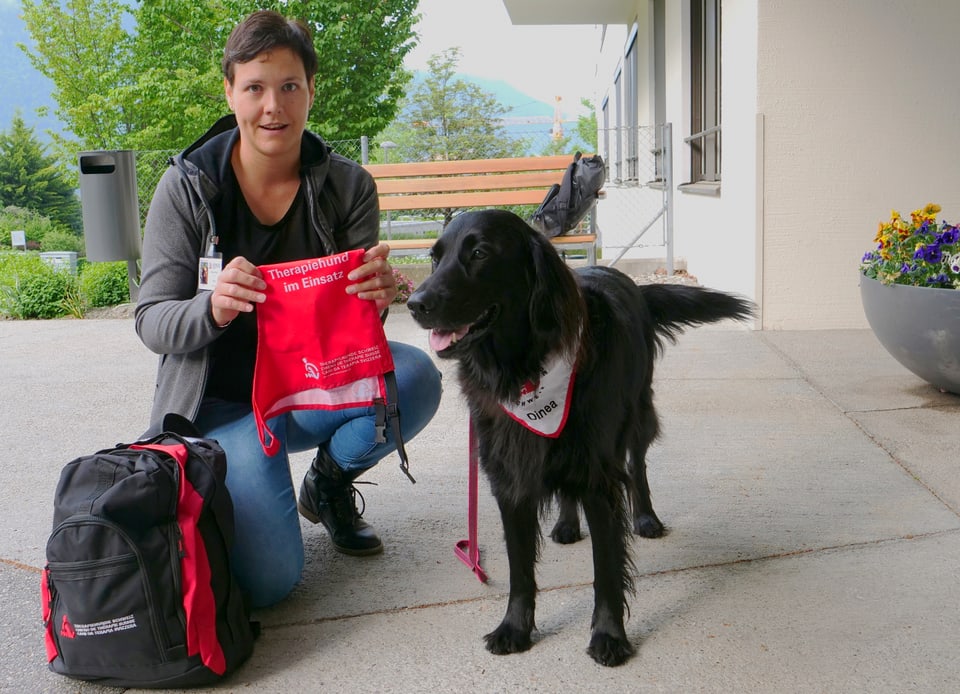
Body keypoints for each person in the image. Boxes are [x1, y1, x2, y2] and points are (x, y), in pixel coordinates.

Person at [135, 10, 442, 608]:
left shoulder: (349, 187)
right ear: (229, 91)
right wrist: (213, 308)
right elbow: (152, 320)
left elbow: (358, 332)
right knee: (273, 583)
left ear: (310, 91)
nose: (272, 106)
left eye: (289, 86)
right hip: (224, 405)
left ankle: (325, 486)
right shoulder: (188, 187)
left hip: (312, 384)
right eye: (254, 87)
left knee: (415, 377)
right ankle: (248, 483)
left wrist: (373, 299)